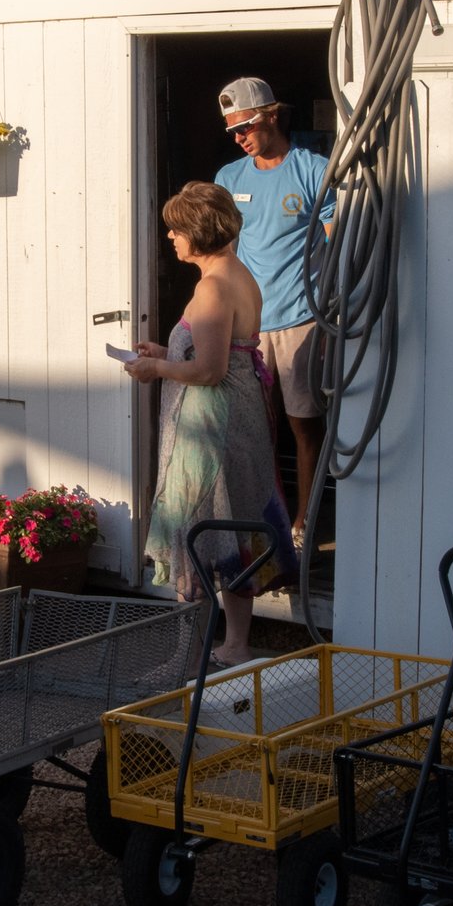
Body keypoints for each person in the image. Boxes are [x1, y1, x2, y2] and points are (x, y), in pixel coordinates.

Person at [126, 181, 286, 666]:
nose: (171, 236)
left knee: (195, 522)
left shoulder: (214, 287)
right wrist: (166, 351)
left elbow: (210, 371)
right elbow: (218, 353)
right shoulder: (237, 274)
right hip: (237, 423)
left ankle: (186, 655)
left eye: (176, 229)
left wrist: (155, 369)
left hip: (212, 430)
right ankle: (234, 645)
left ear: (196, 232)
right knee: (234, 526)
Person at [212, 77, 334, 548]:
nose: (239, 138)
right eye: (232, 131)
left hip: (302, 320)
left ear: (272, 116)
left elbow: (339, 242)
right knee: (253, 429)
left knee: (304, 424)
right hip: (250, 326)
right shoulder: (228, 178)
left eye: (245, 126)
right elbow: (222, 253)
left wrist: (327, 319)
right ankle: (264, 522)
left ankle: (304, 522)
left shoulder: (313, 169)